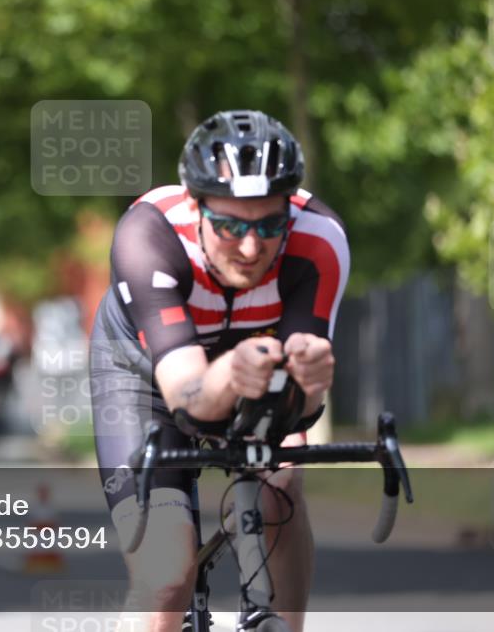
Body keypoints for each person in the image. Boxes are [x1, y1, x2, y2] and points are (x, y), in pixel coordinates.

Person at [89, 110, 349, 632]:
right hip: (146, 377)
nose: (251, 248)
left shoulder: (319, 241)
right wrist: (230, 371)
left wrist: (310, 387)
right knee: (165, 577)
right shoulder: (149, 236)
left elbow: (301, 409)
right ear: (195, 206)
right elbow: (188, 397)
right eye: (230, 226)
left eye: (270, 225)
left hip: (254, 368)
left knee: (280, 489)